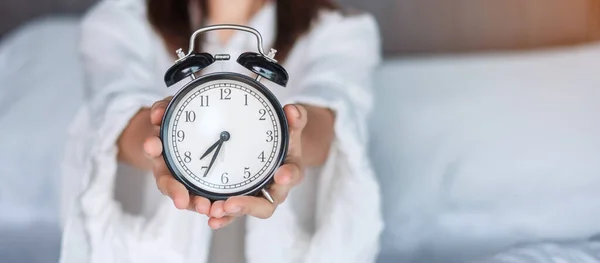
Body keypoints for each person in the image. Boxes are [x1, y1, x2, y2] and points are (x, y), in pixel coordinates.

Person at [59, 0, 384, 262]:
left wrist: (290, 135)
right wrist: (162, 138)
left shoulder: (342, 29)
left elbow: (332, 117)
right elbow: (117, 114)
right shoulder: (120, 19)